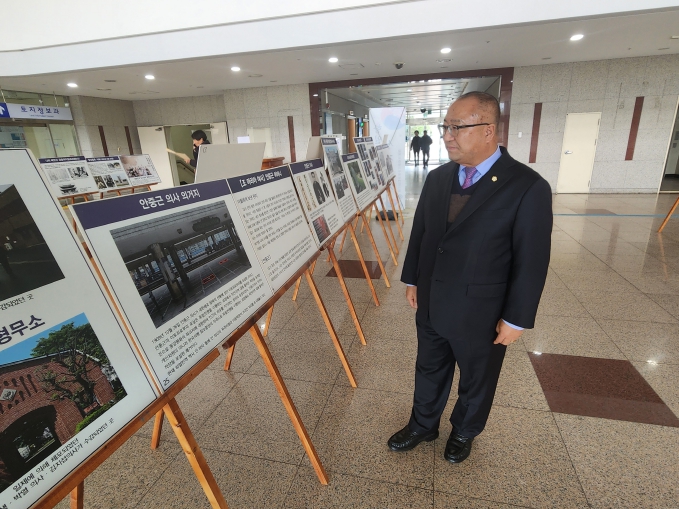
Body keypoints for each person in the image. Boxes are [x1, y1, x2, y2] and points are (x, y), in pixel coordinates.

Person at [388, 91, 552, 464]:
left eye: (457, 127)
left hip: (482, 309)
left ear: (488, 130)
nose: (447, 136)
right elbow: (423, 233)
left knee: (478, 377)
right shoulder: (438, 178)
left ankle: (464, 430)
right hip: (432, 299)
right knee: (429, 367)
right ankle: (423, 425)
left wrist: (516, 318)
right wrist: (413, 279)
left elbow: (532, 260)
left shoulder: (526, 186)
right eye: (445, 127)